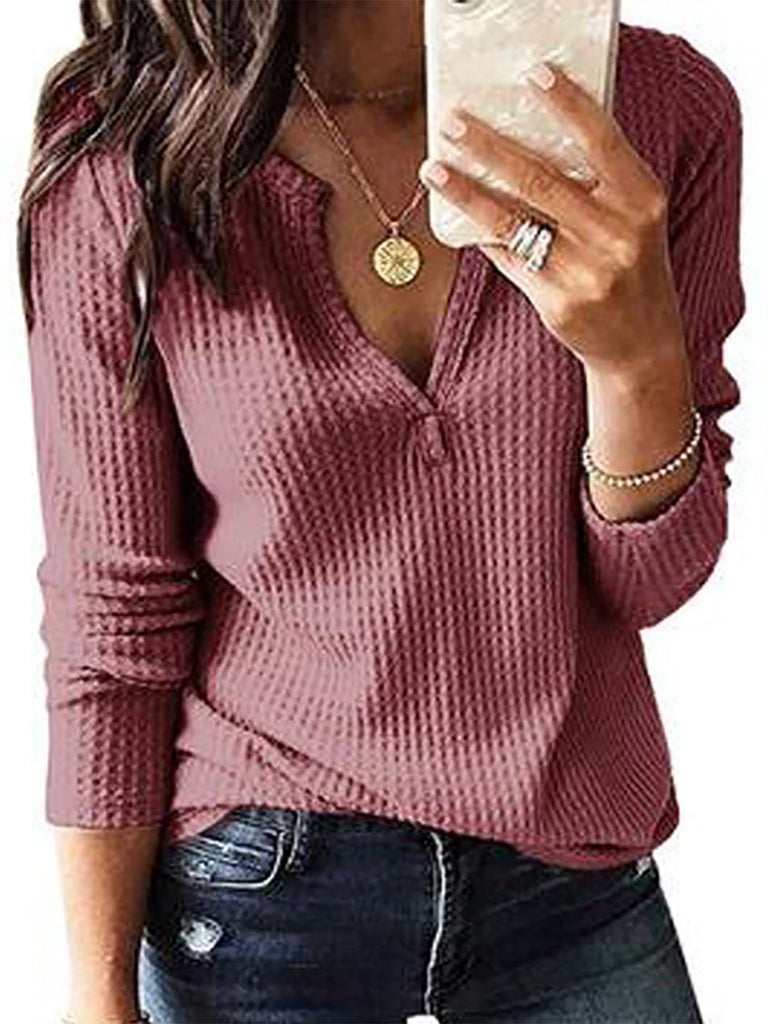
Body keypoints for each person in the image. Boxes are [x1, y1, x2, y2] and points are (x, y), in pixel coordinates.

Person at [19, 2, 745, 1022]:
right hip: (260, 873)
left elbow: (653, 583)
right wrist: (98, 994)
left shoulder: (661, 111)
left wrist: (635, 365)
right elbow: (113, 610)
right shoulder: (128, 145)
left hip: (570, 872)